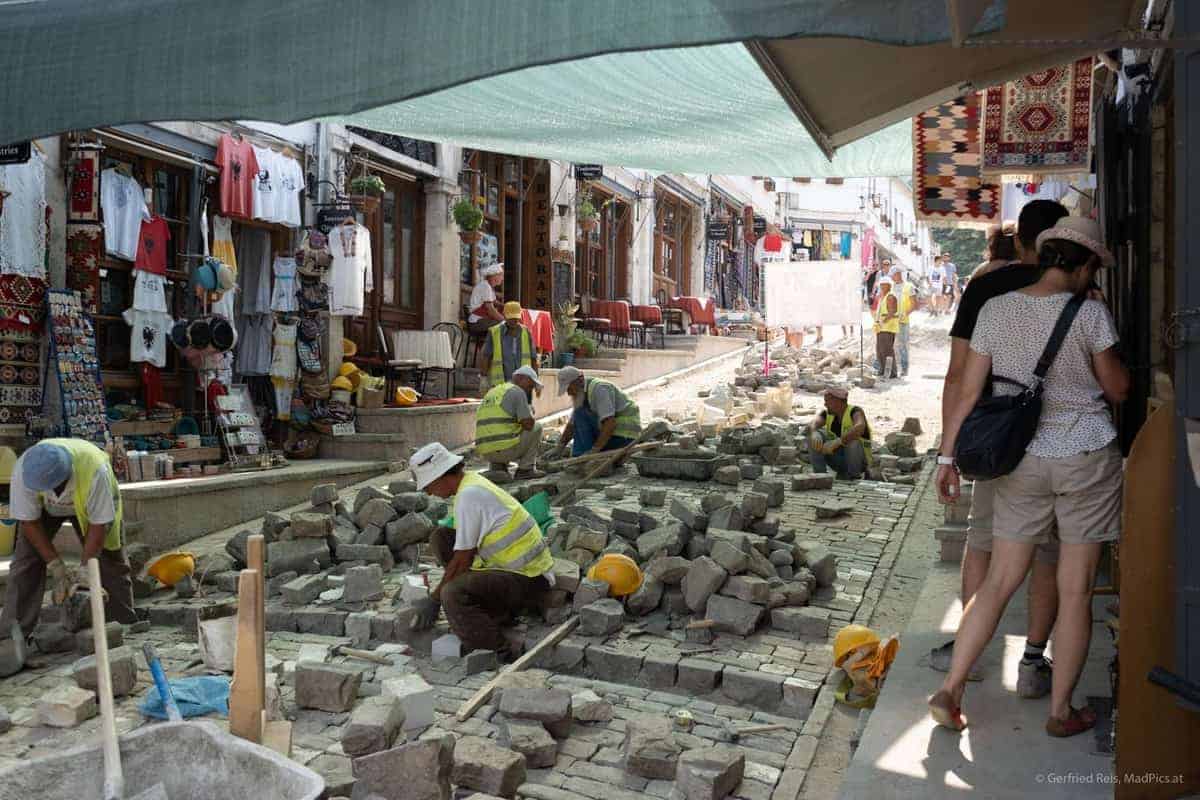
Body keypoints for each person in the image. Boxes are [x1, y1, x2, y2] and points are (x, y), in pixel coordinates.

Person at [930, 216, 1128, 737]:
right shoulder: (1090, 314)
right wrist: (1101, 326)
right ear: (1084, 265)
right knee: (1076, 588)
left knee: (998, 581)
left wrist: (947, 458)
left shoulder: (996, 309)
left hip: (1023, 460)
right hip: (1086, 457)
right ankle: (1061, 712)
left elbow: (970, 390)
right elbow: (1119, 390)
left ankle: (951, 688)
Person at [931, 199, 1069, 694]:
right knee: (1049, 555)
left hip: (997, 443)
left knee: (984, 545)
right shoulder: (1081, 290)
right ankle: (1034, 661)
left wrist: (948, 451)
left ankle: (972, 653)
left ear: (1023, 239)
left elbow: (958, 374)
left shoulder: (987, 288)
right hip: (1062, 442)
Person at [408, 442, 554, 660]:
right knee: (441, 536)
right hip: (512, 571)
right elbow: (462, 550)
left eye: (428, 485)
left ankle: (499, 652)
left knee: (452, 593)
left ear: (440, 476)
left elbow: (463, 559)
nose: (429, 492)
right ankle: (488, 610)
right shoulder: (469, 484)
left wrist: (435, 599)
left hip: (531, 579)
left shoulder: (469, 495)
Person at [0, 439, 137, 648]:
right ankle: (12, 636)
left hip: (88, 504)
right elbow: (29, 522)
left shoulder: (94, 470)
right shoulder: (25, 471)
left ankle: (120, 623)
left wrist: (85, 569)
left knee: (110, 558)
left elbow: (99, 526)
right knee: (25, 563)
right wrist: (56, 566)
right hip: (44, 509)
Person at [475, 365, 545, 481]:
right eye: (530, 386)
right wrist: (530, 412)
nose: (530, 390)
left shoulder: (494, 391)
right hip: (504, 450)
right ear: (522, 378)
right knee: (537, 427)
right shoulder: (517, 392)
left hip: (485, 451)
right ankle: (525, 469)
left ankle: (497, 469)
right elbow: (529, 425)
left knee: (506, 428)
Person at [553, 365, 641, 457]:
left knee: (580, 414)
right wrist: (560, 447)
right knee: (578, 414)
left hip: (624, 437)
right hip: (612, 436)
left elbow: (610, 424)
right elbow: (572, 424)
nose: (569, 393)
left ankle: (583, 459)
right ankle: (579, 458)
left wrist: (594, 451)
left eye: (570, 389)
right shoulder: (581, 395)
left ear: (580, 380)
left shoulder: (600, 389)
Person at [807, 387, 873, 479]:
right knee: (814, 437)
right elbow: (813, 423)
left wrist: (838, 442)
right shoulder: (828, 413)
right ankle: (820, 476)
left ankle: (853, 477)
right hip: (839, 459)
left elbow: (860, 427)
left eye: (827, 401)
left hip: (859, 462)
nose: (825, 404)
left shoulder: (855, 411)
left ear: (837, 401)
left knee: (853, 442)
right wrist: (814, 432)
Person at [479, 301, 536, 392]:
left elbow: (533, 358)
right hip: (500, 384)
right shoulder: (494, 332)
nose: (514, 321)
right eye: (511, 318)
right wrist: (484, 378)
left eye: (516, 318)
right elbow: (486, 356)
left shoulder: (526, 332)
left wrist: (535, 379)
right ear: (504, 316)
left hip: (522, 384)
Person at [890, 267, 917, 377]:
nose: (892, 277)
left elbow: (914, 304)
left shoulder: (909, 286)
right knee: (889, 345)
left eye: (894, 274)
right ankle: (892, 369)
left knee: (902, 345)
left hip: (902, 321)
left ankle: (904, 369)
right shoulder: (891, 287)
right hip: (890, 320)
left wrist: (905, 313)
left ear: (898, 274)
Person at [467, 263, 505, 337]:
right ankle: (495, 348)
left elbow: (495, 302)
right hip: (477, 322)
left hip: (479, 320)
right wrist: (504, 320)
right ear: (495, 276)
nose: (502, 278)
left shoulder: (488, 286)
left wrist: (507, 306)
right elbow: (490, 309)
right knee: (506, 326)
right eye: (501, 275)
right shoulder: (485, 286)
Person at [873, 275, 900, 378]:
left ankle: (891, 372)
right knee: (880, 350)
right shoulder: (883, 297)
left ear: (889, 286)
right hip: (882, 327)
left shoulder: (890, 296)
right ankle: (883, 370)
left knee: (887, 350)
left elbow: (892, 311)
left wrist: (882, 321)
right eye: (881, 285)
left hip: (887, 327)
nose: (882, 287)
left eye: (884, 285)